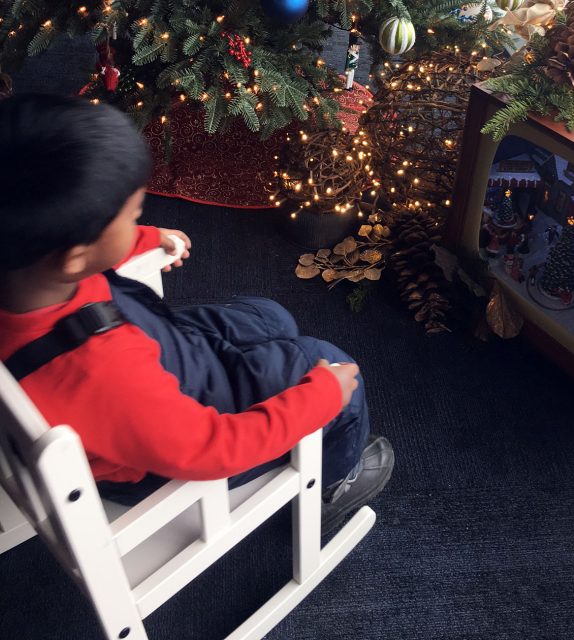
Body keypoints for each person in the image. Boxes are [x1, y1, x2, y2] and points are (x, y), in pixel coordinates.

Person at [0, 95, 393, 533]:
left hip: (152, 345)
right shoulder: (102, 377)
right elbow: (211, 448)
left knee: (269, 315)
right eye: (132, 217)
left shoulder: (25, 268)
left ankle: (281, 365)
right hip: (183, 425)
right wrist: (319, 398)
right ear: (76, 255)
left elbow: (73, 256)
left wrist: (141, 239)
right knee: (333, 366)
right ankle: (336, 480)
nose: (138, 222)